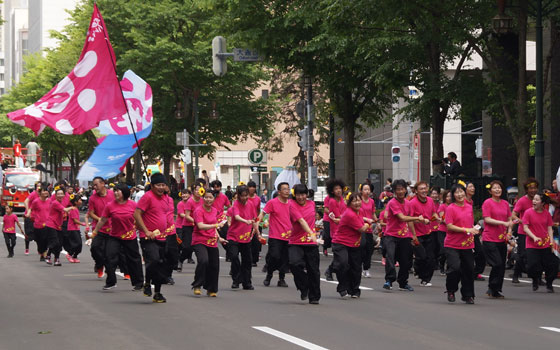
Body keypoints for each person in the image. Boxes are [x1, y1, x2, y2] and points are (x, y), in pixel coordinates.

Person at [93, 184, 143, 291]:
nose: (115, 193)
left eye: (118, 191)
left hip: (130, 237)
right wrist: (95, 231)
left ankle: (138, 282)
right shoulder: (110, 206)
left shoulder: (133, 205)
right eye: (114, 191)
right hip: (114, 236)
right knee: (109, 257)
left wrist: (142, 229)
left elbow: (140, 219)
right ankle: (111, 282)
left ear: (124, 192)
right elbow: (102, 220)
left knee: (134, 259)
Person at [134, 173, 174, 303]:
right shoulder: (147, 197)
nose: (161, 187)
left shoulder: (167, 199)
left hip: (162, 236)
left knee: (161, 264)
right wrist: (146, 231)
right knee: (154, 260)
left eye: (163, 185)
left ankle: (157, 292)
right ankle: (147, 282)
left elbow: (165, 216)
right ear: (152, 186)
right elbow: (137, 214)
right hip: (148, 237)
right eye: (158, 185)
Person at [382, 179, 422, 291]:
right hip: (390, 235)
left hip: (404, 236)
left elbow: (409, 221)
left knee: (406, 260)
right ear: (394, 191)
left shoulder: (408, 204)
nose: (400, 191)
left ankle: (403, 282)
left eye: (402, 189)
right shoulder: (392, 203)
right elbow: (402, 217)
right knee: (390, 257)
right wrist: (418, 218)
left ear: (405, 190)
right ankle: (389, 280)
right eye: (397, 189)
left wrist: (414, 235)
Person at [444, 182, 478, 304]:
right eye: (456, 192)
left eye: (461, 191)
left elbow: (470, 223)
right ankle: (451, 290)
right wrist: (466, 229)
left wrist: (474, 229)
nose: (459, 194)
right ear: (453, 195)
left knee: (469, 269)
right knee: (455, 268)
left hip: (467, 244)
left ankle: (468, 295)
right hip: (452, 244)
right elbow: (449, 226)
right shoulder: (451, 208)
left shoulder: (469, 207)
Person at [332, 192, 370, 298]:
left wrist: (366, 220)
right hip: (341, 243)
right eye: (354, 201)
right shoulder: (349, 214)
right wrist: (368, 224)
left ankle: (354, 290)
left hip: (354, 244)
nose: (357, 203)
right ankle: (342, 286)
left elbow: (361, 219)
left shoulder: (360, 211)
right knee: (343, 264)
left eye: (358, 200)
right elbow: (362, 228)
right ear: (349, 203)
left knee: (356, 267)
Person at [191, 189, 227, 296]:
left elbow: (214, 228)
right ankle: (197, 285)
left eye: (210, 197)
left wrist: (219, 238)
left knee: (214, 265)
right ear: (202, 198)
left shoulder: (215, 211)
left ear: (214, 199)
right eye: (206, 197)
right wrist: (215, 225)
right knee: (203, 261)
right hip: (199, 240)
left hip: (212, 241)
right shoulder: (198, 211)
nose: (208, 199)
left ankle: (211, 289)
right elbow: (200, 226)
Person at [289, 184, 320, 304]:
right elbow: (301, 221)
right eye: (298, 195)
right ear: (294, 195)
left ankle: (314, 297)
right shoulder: (292, 205)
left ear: (307, 194)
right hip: (296, 241)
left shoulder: (312, 204)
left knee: (313, 269)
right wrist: (311, 233)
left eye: (303, 194)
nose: (301, 197)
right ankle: (304, 286)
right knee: (294, 264)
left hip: (310, 243)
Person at [481, 180, 513, 298]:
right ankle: (492, 286)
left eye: (499, 188)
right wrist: (502, 223)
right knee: (497, 263)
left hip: (501, 239)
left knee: (501, 265)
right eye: (495, 188)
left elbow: (510, 220)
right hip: (490, 238)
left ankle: (496, 289)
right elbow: (487, 219)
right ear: (490, 191)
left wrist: (509, 232)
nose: (497, 190)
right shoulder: (487, 203)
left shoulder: (505, 203)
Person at [523, 193, 559, 292]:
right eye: (533, 199)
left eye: (537, 200)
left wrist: (551, 243)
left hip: (545, 243)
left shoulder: (547, 214)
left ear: (542, 203)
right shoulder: (528, 212)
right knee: (532, 265)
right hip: (532, 244)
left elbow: (549, 229)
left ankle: (549, 283)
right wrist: (534, 237)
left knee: (553, 264)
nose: (534, 201)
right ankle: (535, 279)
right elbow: (525, 228)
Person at [260, 182, 292, 287]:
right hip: (275, 236)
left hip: (288, 236)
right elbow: (263, 213)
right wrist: (257, 222)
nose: (287, 191)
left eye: (288, 189)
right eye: (284, 189)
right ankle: (269, 275)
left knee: (284, 258)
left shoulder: (291, 204)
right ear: (279, 192)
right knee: (274, 256)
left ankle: (281, 279)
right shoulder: (272, 203)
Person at [227, 185, 259, 290]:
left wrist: (257, 232)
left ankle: (247, 282)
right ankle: (236, 280)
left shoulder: (251, 204)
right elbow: (236, 216)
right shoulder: (235, 204)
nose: (244, 198)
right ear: (238, 196)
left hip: (246, 238)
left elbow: (254, 218)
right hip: (233, 236)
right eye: (242, 196)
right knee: (234, 257)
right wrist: (246, 221)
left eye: (246, 195)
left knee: (247, 260)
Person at [409, 181, 439, 286]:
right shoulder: (412, 203)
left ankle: (426, 279)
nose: (424, 191)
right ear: (416, 191)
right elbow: (410, 220)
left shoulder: (430, 201)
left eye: (425, 188)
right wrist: (414, 235)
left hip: (429, 232)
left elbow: (434, 212)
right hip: (417, 234)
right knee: (421, 256)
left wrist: (437, 217)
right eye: (421, 189)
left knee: (430, 257)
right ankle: (417, 268)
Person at [511, 178, 539, 284]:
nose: (533, 190)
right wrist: (521, 221)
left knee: (538, 255)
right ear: (526, 190)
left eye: (535, 188)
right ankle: (515, 274)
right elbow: (513, 214)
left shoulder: (539, 199)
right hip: (523, 232)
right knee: (522, 254)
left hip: (537, 232)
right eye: (530, 188)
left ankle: (538, 278)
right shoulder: (522, 200)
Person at [88, 177, 116, 278]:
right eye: (94, 185)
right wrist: (100, 219)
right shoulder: (92, 198)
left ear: (103, 183)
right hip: (98, 228)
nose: (95, 187)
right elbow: (91, 213)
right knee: (95, 248)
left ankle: (110, 271)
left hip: (112, 228)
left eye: (96, 185)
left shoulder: (113, 194)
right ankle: (99, 265)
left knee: (109, 252)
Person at [324, 178, 347, 280]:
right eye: (336, 189)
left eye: (340, 188)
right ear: (332, 191)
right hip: (336, 231)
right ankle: (330, 270)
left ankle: (330, 270)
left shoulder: (342, 199)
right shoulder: (332, 201)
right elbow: (337, 217)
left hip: (344, 229)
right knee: (340, 255)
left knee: (341, 256)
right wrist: (345, 217)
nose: (338, 190)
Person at [45, 187, 73, 266]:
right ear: (55, 195)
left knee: (59, 243)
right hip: (51, 225)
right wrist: (72, 207)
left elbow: (65, 212)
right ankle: (48, 255)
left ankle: (56, 259)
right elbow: (65, 210)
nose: (60, 195)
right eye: (58, 194)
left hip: (58, 225)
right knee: (55, 242)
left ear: (64, 195)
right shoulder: (55, 203)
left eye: (62, 194)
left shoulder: (60, 203)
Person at [182, 181, 204, 265]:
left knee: (199, 245)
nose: (198, 191)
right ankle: (180, 259)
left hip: (199, 227)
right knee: (187, 246)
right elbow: (187, 216)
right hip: (188, 226)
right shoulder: (190, 201)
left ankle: (202, 263)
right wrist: (196, 221)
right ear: (193, 191)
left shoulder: (203, 200)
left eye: (200, 189)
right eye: (196, 190)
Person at [359, 183, 377, 278]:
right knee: (361, 247)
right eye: (365, 189)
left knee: (369, 249)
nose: (367, 191)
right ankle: (360, 266)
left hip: (369, 229)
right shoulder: (358, 201)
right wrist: (366, 219)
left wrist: (377, 221)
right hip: (360, 228)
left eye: (368, 189)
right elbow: (356, 214)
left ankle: (366, 269)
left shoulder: (372, 201)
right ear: (361, 191)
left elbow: (373, 213)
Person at [28, 184, 51, 260]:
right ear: (40, 192)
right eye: (44, 191)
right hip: (38, 224)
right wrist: (30, 215)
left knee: (47, 239)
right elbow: (31, 209)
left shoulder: (50, 201)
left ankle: (44, 253)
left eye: (47, 191)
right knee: (40, 241)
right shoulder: (36, 201)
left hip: (48, 224)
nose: (46, 192)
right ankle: (42, 252)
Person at [66, 195, 88, 263]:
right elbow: (75, 220)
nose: (81, 202)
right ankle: (69, 254)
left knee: (79, 244)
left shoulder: (76, 209)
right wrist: (82, 224)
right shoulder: (73, 209)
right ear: (75, 202)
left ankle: (74, 256)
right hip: (72, 229)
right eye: (80, 200)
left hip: (76, 229)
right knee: (76, 243)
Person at [436, 190, 452, 275]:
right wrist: (451, 223)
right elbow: (442, 218)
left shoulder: (454, 206)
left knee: (450, 251)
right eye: (447, 196)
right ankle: (441, 263)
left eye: (450, 196)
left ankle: (449, 267)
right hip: (442, 231)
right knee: (443, 250)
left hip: (451, 232)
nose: (449, 198)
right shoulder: (442, 206)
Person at [247, 181, 262, 266]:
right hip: (246, 222)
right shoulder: (245, 198)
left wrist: (258, 220)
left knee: (256, 242)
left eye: (253, 187)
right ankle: (248, 258)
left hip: (255, 221)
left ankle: (254, 260)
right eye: (250, 187)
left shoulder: (258, 199)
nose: (252, 188)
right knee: (248, 241)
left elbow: (258, 210)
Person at [175, 191, 189, 272]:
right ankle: (178, 260)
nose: (184, 195)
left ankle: (181, 259)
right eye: (183, 194)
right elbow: (181, 214)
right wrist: (192, 217)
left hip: (189, 226)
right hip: (180, 227)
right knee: (180, 244)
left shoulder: (191, 203)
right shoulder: (180, 204)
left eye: (186, 193)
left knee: (188, 247)